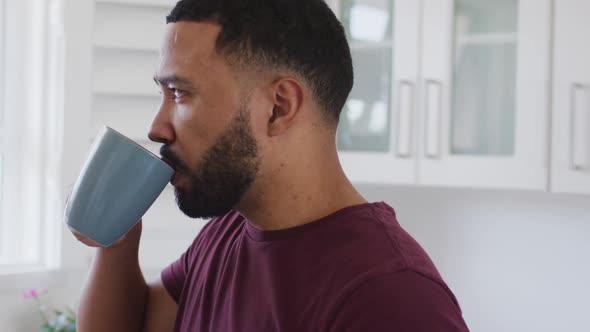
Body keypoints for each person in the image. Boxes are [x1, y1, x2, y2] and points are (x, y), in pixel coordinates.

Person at [71, 0, 469, 331]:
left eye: (180, 94)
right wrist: (117, 243)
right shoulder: (226, 234)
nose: (157, 128)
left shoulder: (391, 299)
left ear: (278, 107)